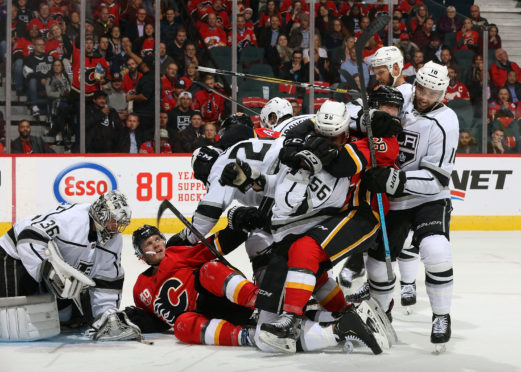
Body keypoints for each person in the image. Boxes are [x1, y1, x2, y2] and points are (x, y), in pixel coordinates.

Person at [355, 61, 459, 349]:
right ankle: (381, 315)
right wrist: (370, 119)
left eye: (432, 93)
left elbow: (437, 179)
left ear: (443, 93)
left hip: (428, 199)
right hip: (393, 201)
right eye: (422, 89)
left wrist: (395, 180)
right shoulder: (403, 95)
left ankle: (441, 316)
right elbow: (361, 114)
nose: (424, 97)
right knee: (377, 266)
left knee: (436, 250)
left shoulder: (447, 121)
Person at [0, 190, 131, 340]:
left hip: (57, 269)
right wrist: (48, 274)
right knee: (12, 316)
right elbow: (28, 236)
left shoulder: (114, 241)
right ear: (101, 215)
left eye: (121, 223)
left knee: (78, 321)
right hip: (14, 254)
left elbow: (108, 281)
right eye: (114, 221)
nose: (117, 227)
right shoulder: (71, 220)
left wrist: (106, 314)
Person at [23, 36, 53, 117]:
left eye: (43, 44)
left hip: (49, 83)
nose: (42, 46)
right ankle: (34, 107)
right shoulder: (28, 59)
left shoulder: (49, 58)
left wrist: (47, 79)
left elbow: (55, 70)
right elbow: (28, 74)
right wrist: (41, 79)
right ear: (34, 46)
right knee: (32, 80)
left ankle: (53, 108)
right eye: (39, 45)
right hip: (35, 85)